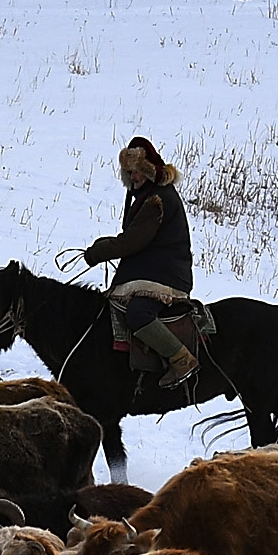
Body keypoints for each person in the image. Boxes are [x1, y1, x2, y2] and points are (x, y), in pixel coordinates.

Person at [82, 137, 196, 384]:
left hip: (165, 276)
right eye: (129, 172)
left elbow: (132, 242)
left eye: (136, 171)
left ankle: (180, 358)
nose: (133, 177)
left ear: (149, 170)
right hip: (153, 271)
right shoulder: (150, 196)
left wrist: (98, 252)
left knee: (138, 314)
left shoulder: (157, 200)